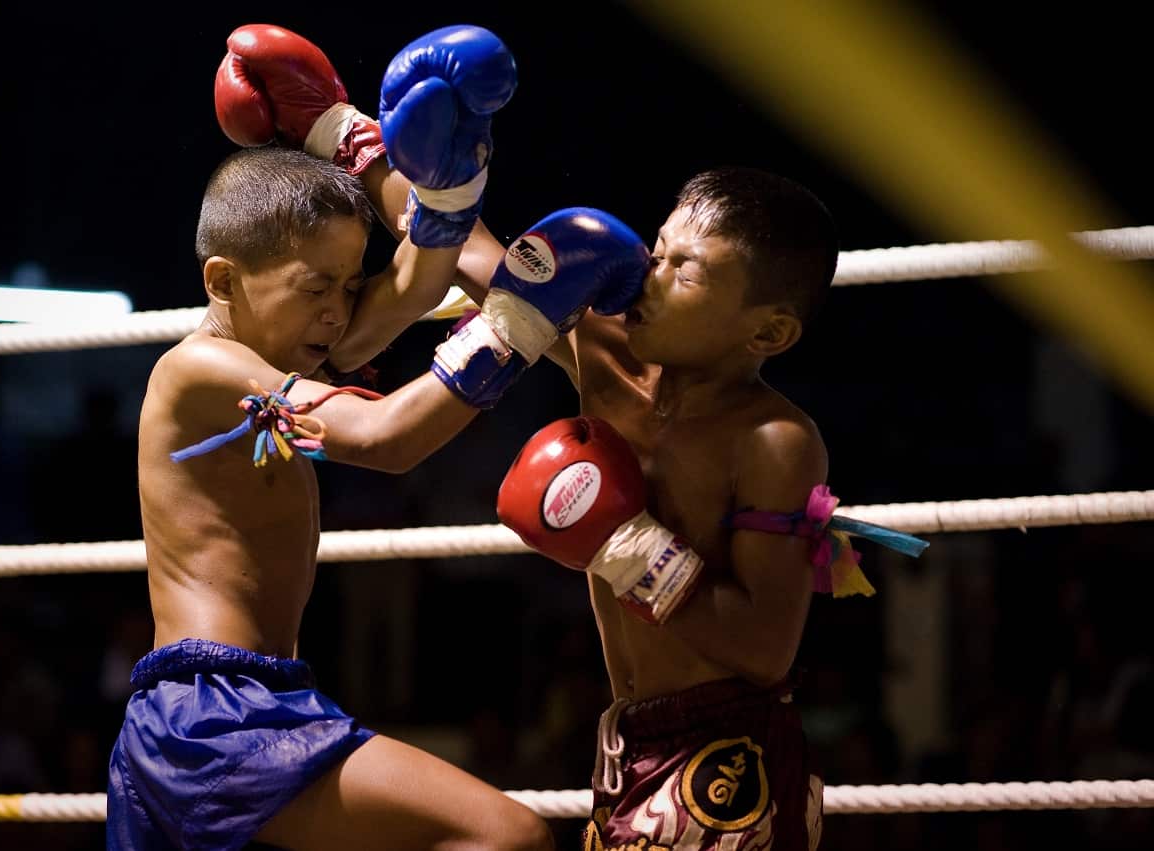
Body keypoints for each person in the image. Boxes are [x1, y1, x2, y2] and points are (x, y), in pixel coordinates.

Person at [104, 23, 652, 851]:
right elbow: (385, 435)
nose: (337, 311)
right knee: (508, 835)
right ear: (224, 279)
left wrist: (445, 191)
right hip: (212, 712)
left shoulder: (270, 349)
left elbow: (409, 287)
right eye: (317, 288)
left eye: (347, 286)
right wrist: (517, 320)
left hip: (246, 702)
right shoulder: (199, 372)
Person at [336, 165, 928, 848]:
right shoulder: (605, 351)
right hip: (625, 739)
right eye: (659, 249)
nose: (650, 275)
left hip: (730, 752)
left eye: (689, 271)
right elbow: (467, 247)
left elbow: (765, 650)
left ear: (766, 334)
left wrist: (620, 541)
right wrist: (342, 135)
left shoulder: (775, 441)